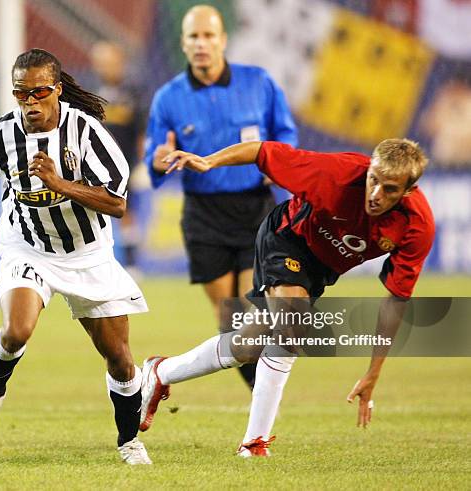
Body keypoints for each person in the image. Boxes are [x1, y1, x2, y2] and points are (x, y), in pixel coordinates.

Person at [140, 138, 434, 457]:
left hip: (320, 270)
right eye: (373, 179)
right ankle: (254, 445)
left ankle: (161, 372)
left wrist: (373, 373)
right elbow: (262, 151)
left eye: (389, 189)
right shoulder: (336, 172)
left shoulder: (417, 226)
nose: (375, 194)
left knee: (248, 346)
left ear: (408, 191)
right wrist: (210, 161)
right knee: (293, 328)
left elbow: (396, 299)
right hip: (287, 239)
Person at [0, 48, 152, 465]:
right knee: (17, 330)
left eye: (40, 92)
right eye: (22, 94)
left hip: (87, 253)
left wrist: (60, 184)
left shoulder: (88, 133)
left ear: (57, 89)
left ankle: (129, 441)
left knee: (121, 360)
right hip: (28, 247)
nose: (31, 102)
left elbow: (116, 203)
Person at [144, 4, 298, 390]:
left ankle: (261, 411)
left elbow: (287, 136)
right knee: (227, 319)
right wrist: (161, 159)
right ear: (183, 43)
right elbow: (155, 156)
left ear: (223, 40)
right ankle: (258, 405)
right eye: (194, 36)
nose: (201, 43)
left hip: (254, 211)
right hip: (203, 214)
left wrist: (273, 163)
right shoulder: (168, 97)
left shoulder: (258, 83)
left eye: (209, 35)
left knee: (252, 314)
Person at [90, 41, 146, 274]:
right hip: (94, 163)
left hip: (125, 163)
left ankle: (132, 264)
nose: (106, 68)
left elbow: (142, 129)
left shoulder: (133, 92)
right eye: (101, 63)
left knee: (126, 211)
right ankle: (93, 262)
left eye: (110, 62)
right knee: (91, 212)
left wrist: (141, 162)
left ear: (120, 63)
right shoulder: (90, 91)